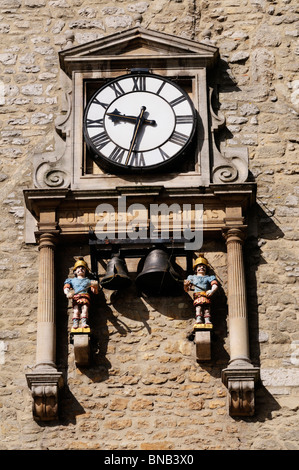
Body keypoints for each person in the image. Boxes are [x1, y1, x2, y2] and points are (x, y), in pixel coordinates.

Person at [64, 257, 98, 329]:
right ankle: (75, 323)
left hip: (85, 296)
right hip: (76, 296)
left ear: (86, 270)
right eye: (78, 268)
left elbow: (95, 292)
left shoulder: (89, 281)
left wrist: (95, 287)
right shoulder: (71, 280)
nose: (80, 269)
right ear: (75, 271)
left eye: (83, 268)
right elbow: (66, 288)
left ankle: (84, 323)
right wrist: (68, 293)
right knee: (76, 310)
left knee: (85, 309)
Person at [184, 254, 218, 326]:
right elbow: (187, 289)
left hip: (206, 295)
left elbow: (215, 285)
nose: (201, 268)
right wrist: (186, 285)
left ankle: (207, 320)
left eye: (203, 266)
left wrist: (212, 291)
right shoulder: (192, 277)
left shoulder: (209, 277)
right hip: (198, 295)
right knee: (198, 307)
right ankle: (199, 318)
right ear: (196, 269)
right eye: (199, 266)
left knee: (207, 309)